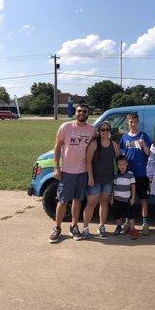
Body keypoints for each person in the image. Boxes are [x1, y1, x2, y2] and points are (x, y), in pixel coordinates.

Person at [49, 103, 96, 243]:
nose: (82, 113)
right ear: (75, 112)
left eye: (85, 111)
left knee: (77, 200)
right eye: (79, 111)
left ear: (88, 113)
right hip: (67, 171)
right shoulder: (66, 127)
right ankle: (57, 228)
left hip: (82, 171)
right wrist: (56, 167)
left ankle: (74, 226)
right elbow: (57, 148)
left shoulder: (92, 130)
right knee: (63, 200)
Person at [82, 121, 119, 238]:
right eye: (102, 130)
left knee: (104, 202)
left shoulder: (114, 145)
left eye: (107, 129)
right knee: (91, 203)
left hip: (108, 180)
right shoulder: (94, 144)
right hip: (95, 180)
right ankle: (85, 227)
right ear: (99, 131)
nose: (105, 132)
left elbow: (119, 162)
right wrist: (90, 177)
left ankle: (102, 226)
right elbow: (88, 161)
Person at [119, 113, 151, 235]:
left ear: (137, 122)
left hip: (141, 173)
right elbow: (121, 155)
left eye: (134, 121)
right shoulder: (124, 137)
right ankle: (128, 222)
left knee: (143, 199)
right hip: (128, 174)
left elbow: (148, 153)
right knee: (128, 200)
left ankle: (145, 224)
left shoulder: (144, 135)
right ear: (128, 123)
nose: (132, 123)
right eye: (130, 121)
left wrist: (143, 145)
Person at [111, 155, 138, 239]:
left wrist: (133, 197)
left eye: (123, 164)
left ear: (127, 164)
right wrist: (112, 198)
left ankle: (133, 229)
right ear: (117, 165)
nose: (121, 166)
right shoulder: (115, 175)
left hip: (127, 200)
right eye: (119, 164)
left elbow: (133, 186)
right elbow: (113, 187)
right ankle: (119, 226)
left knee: (129, 215)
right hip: (116, 199)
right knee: (117, 215)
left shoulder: (130, 174)